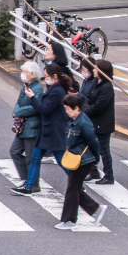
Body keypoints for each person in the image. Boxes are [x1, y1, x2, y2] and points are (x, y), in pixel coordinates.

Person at [55, 94, 109, 230]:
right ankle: (96, 210)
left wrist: (96, 160)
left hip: (83, 161)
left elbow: (94, 143)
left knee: (72, 189)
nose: (66, 111)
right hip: (78, 159)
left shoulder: (83, 123)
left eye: (68, 109)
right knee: (75, 188)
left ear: (77, 108)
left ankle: (70, 220)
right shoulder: (75, 120)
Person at [15, 63, 70, 193]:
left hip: (53, 131)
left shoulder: (57, 91)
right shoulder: (54, 88)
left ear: (55, 76)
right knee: (35, 158)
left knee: (61, 160)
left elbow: (45, 109)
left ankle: (78, 184)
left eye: (46, 76)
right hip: (47, 129)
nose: (44, 78)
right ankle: (29, 186)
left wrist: (33, 97)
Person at [81, 59, 117, 184]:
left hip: (103, 124)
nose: (94, 70)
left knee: (104, 150)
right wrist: (85, 106)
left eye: (96, 68)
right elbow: (88, 99)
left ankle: (109, 175)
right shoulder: (96, 82)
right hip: (93, 122)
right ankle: (94, 171)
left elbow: (98, 106)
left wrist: (85, 110)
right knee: (91, 147)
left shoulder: (107, 87)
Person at [9, 60, 44, 183]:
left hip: (31, 126)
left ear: (32, 74)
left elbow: (35, 107)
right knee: (14, 151)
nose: (22, 74)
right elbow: (18, 102)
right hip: (23, 126)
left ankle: (33, 182)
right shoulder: (26, 87)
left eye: (24, 72)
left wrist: (18, 112)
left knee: (30, 156)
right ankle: (26, 178)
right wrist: (17, 111)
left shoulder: (37, 89)